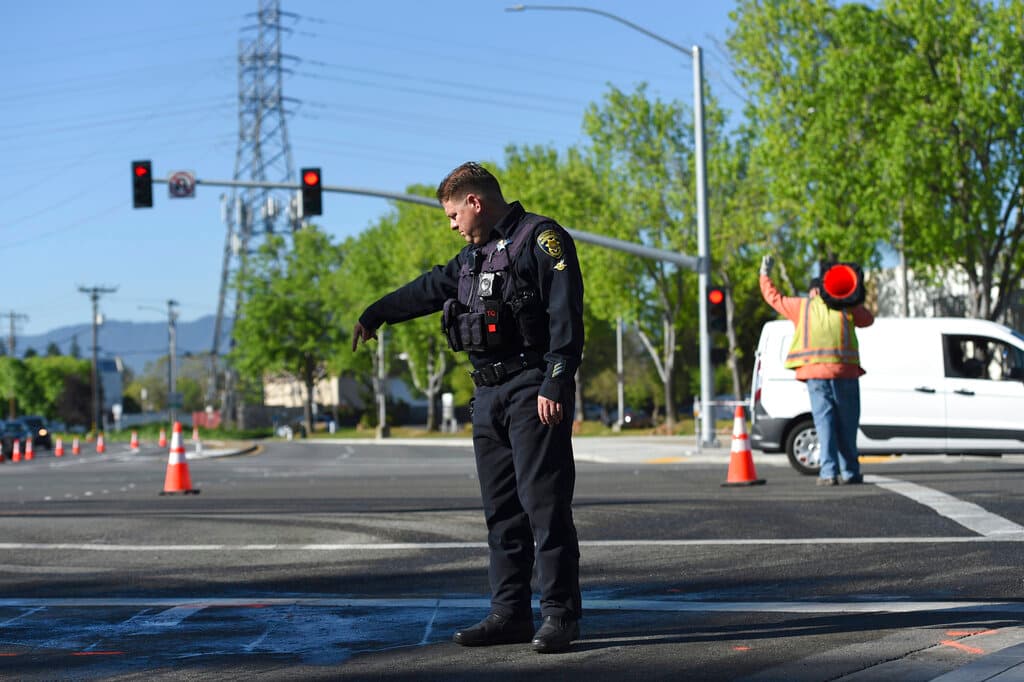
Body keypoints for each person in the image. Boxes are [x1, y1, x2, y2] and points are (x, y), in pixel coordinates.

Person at [351, 162, 585, 653]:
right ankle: (508, 615)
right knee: (501, 514)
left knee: (544, 507)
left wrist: (555, 383)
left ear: (475, 202)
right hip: (488, 397)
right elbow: (425, 289)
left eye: (454, 214)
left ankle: (560, 616)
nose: (452, 224)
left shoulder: (540, 240)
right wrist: (375, 314)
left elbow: (567, 317)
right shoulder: (473, 259)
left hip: (531, 390)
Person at [758, 255, 874, 485]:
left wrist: (764, 275)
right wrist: (855, 296)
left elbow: (774, 298)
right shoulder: (846, 307)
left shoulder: (801, 307)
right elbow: (868, 319)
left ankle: (829, 473)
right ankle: (850, 471)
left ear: (813, 290)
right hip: (845, 372)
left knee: (824, 422)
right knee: (847, 424)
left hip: (815, 375)